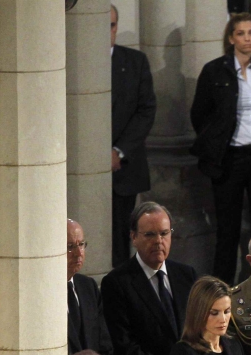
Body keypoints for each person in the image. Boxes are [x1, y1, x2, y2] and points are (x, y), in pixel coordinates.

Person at [190, 13, 251, 283]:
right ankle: (221, 289)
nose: (248, 38)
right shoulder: (214, 71)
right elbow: (200, 115)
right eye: (242, 33)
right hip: (229, 158)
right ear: (231, 38)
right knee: (228, 229)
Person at [101, 202, 199, 355]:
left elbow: (200, 333)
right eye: (150, 234)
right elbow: (126, 349)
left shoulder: (187, 275)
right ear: (133, 237)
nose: (159, 241)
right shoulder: (117, 283)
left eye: (164, 234)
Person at [110, 4, 157, 267]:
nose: (108, 32)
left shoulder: (135, 62)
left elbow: (146, 110)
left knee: (120, 239)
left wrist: (119, 151)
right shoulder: (71, 58)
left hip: (123, 168)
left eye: (112, 25)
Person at [67, 219, 114, 355]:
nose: (78, 253)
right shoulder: (46, 293)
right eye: (70, 246)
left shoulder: (88, 286)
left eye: (81, 244)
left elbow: (104, 343)